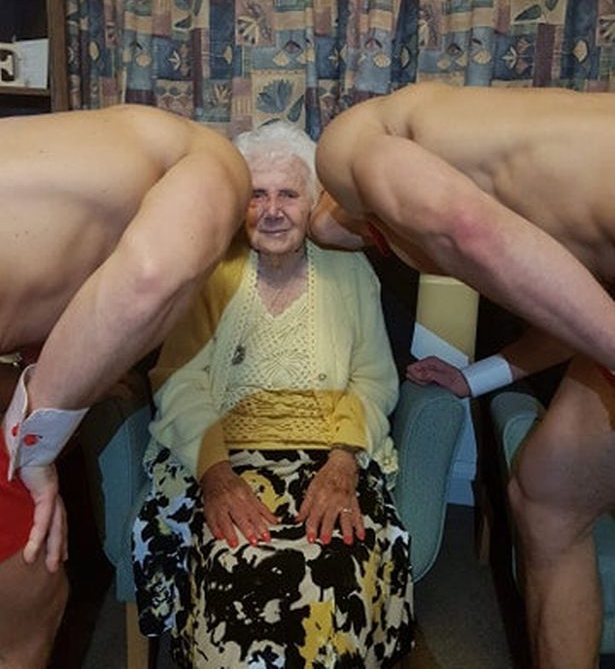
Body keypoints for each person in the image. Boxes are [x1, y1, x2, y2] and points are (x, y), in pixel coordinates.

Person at [312, 81, 615, 669]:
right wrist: (474, 379)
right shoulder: (515, 174)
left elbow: (462, 227)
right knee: (548, 498)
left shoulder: (354, 140)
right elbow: (577, 317)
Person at [132, 121, 414, 668]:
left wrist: (343, 463)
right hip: (222, 457)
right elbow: (179, 380)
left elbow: (374, 378)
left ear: (311, 205)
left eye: (288, 194)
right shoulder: (209, 271)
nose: (273, 210)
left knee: (338, 560)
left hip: (332, 455)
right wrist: (216, 476)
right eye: (257, 195)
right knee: (234, 557)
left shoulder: (350, 272)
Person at [0, 103, 251, 668]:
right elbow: (150, 277)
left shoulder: (108, 145)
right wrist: (36, 445)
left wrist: (63, 371)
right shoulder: (219, 164)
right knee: (30, 610)